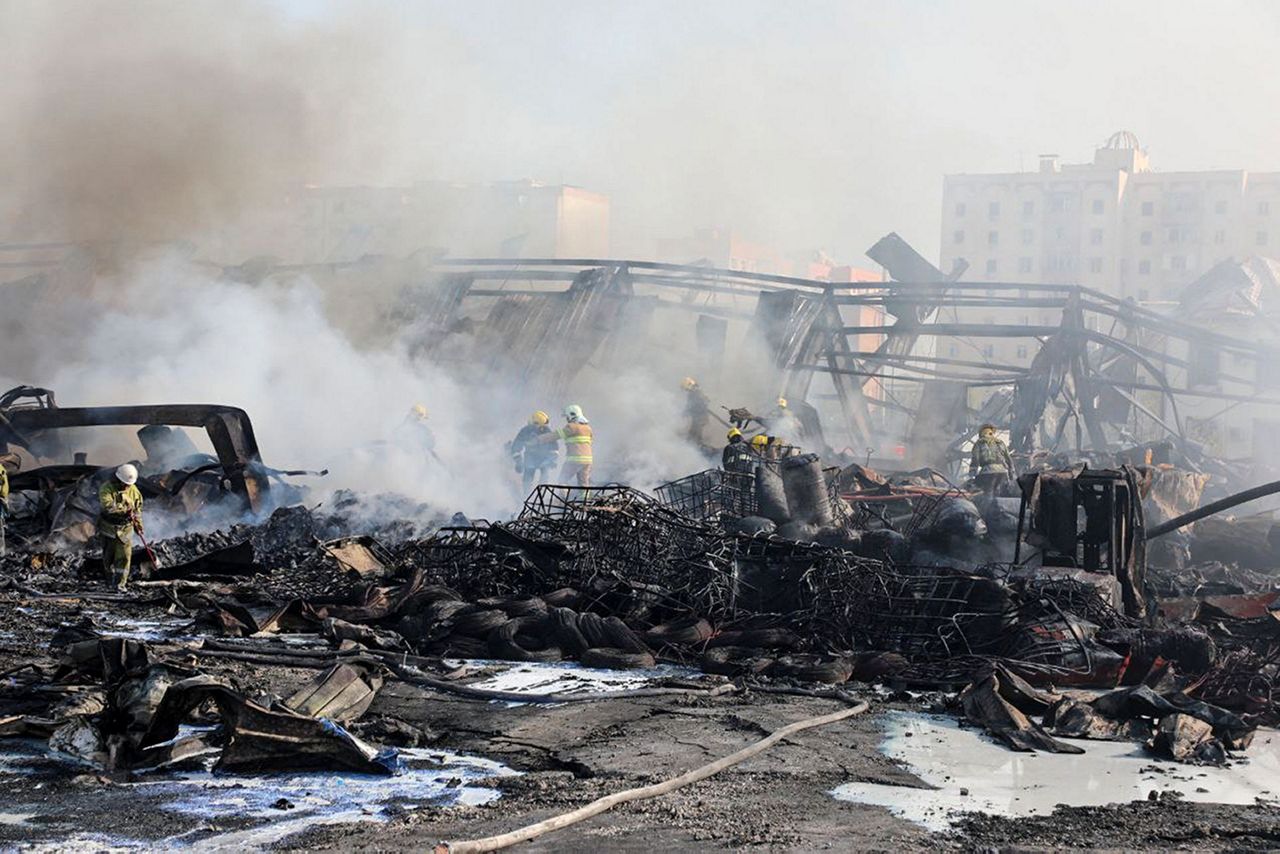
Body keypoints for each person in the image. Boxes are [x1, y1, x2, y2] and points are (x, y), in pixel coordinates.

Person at [98, 464, 144, 591]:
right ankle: (109, 581)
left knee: (124, 558)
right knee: (108, 557)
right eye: (124, 484)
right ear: (118, 479)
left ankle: (120, 584)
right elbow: (108, 506)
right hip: (109, 529)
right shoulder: (106, 488)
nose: (126, 487)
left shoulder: (134, 491)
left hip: (125, 530)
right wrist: (124, 509)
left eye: (128, 484)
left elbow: (137, 511)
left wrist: (139, 526)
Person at [543, 404, 593, 486]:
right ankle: (584, 495)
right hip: (587, 461)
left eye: (567, 417)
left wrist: (537, 440)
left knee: (562, 480)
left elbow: (555, 435)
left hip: (574, 460)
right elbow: (590, 442)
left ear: (572, 415)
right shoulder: (588, 428)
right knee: (583, 483)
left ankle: (562, 494)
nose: (566, 419)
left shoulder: (571, 427)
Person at [510, 410, 559, 492]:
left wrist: (551, 460)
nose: (542, 429)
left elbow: (554, 448)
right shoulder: (525, 431)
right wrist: (518, 461)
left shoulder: (547, 430)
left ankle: (542, 496)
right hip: (530, 458)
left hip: (544, 459)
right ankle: (527, 496)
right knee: (527, 480)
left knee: (544, 480)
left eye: (543, 427)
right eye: (541, 427)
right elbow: (516, 447)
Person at [969, 423, 1014, 495]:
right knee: (1002, 494)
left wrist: (972, 476)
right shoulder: (1000, 443)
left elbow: (975, 460)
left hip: (987, 473)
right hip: (1002, 473)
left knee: (983, 494)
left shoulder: (979, 443)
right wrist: (1011, 475)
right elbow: (1009, 459)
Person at [681, 377, 712, 446]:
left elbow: (695, 405)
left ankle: (698, 445)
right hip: (697, 417)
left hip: (700, 417)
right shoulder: (694, 392)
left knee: (696, 432)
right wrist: (686, 412)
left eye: (686, 389)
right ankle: (695, 444)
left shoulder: (697, 392)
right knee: (694, 432)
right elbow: (690, 405)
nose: (686, 391)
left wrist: (686, 411)